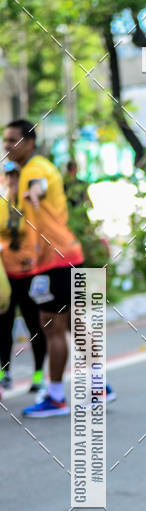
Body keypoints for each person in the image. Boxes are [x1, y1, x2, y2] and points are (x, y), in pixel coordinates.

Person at [2, 119, 115, 416]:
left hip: (55, 259)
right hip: (63, 256)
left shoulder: (35, 170)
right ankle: (99, 385)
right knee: (73, 324)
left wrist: (32, 194)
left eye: (12, 139)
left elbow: (36, 187)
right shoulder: (30, 168)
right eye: (4, 140)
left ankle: (56, 397)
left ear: (29, 142)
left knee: (53, 327)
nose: (6, 145)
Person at [0, 160, 47, 392]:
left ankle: (38, 374)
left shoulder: (30, 203)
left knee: (34, 325)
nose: (12, 180)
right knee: (3, 325)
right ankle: (4, 372)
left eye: (16, 176)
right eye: (8, 176)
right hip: (6, 276)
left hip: (29, 273)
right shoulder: (1, 204)